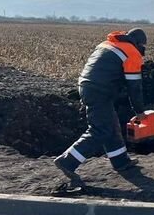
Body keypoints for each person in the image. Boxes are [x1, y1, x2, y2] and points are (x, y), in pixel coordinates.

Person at [54, 28, 147, 184]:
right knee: (100, 129)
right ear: (139, 44)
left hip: (87, 86)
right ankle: (67, 161)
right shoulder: (132, 53)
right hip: (99, 91)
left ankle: (121, 161)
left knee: (110, 124)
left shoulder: (108, 44)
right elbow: (134, 87)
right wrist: (139, 111)